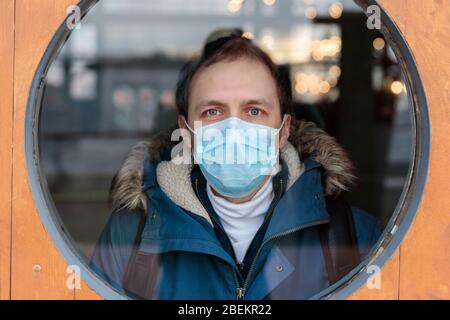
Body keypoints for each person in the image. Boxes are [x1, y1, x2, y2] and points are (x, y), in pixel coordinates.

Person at [89, 31, 382, 300]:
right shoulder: (133, 234)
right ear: (187, 132)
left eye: (254, 110)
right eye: (213, 111)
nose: (233, 129)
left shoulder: (350, 234)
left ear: (283, 132)